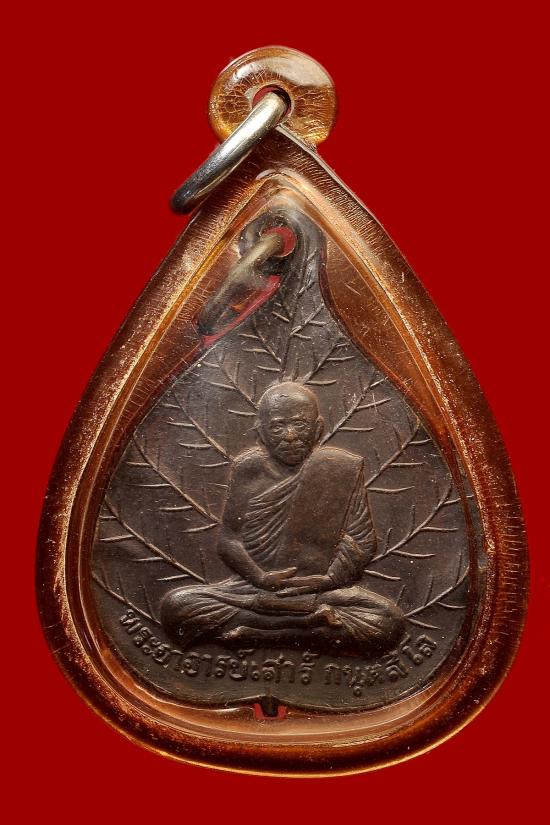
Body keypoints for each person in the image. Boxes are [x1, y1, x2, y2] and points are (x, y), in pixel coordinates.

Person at [160, 382, 405, 654]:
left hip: (321, 591)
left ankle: (257, 633)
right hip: (250, 590)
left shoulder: (340, 468)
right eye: (277, 427)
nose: (289, 436)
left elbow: (363, 542)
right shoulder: (249, 469)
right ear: (261, 433)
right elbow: (229, 541)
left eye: (300, 425)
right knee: (178, 607)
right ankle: (303, 626)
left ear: (318, 429)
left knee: (387, 621)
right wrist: (261, 578)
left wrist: (327, 580)